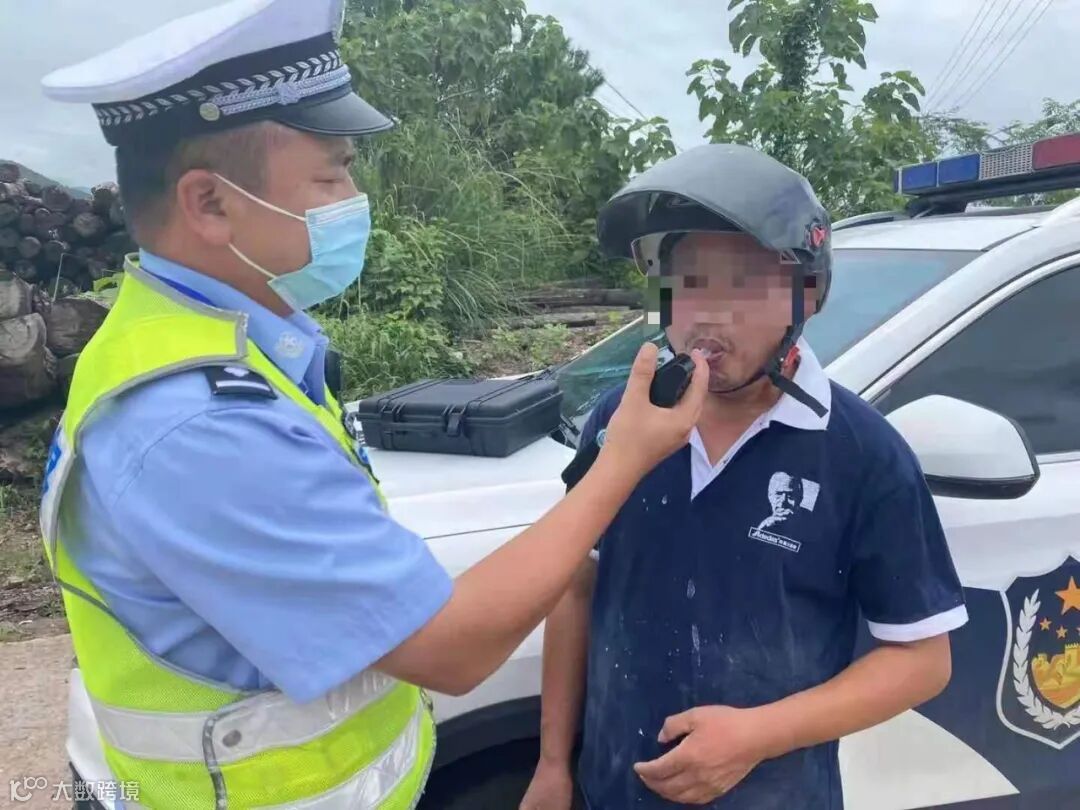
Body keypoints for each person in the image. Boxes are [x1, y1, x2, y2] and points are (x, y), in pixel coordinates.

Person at [36, 2, 709, 808]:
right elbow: (453, 649)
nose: (354, 197)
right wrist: (623, 460)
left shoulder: (194, 345)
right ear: (209, 203)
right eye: (331, 176)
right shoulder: (200, 422)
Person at [521, 144, 969, 810]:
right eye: (687, 281)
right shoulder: (624, 421)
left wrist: (758, 735)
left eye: (740, 283)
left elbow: (922, 661)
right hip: (612, 790)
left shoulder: (863, 454)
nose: (705, 313)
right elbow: (576, 589)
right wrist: (554, 762)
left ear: (805, 294)